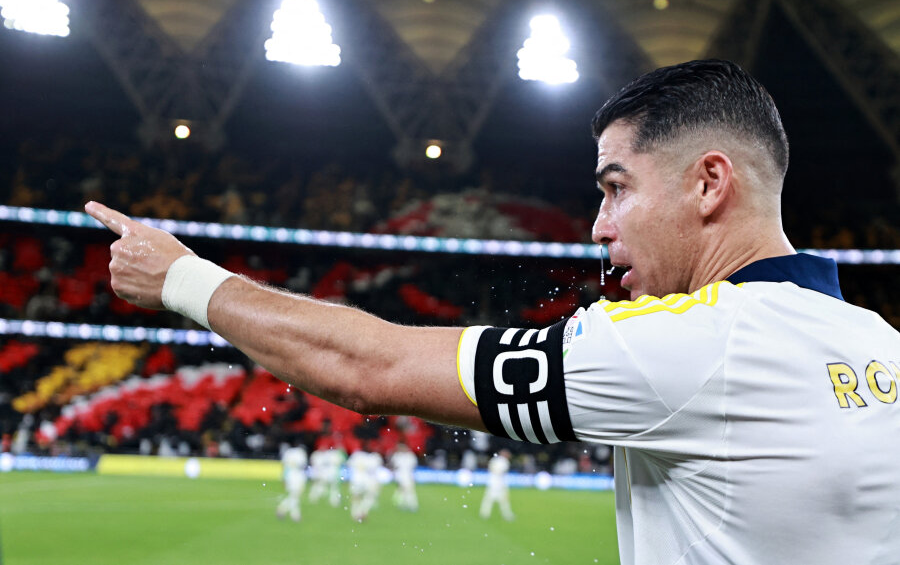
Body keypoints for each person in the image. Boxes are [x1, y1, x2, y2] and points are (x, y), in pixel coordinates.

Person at [85, 58, 900, 565]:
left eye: (616, 187)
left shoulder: (691, 344)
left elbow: (371, 368)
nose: (599, 225)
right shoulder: (878, 341)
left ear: (709, 183)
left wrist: (182, 277)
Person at [347, 448, 382, 521]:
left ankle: (356, 513)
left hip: (357, 480)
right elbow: (375, 470)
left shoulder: (357, 455)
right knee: (369, 497)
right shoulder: (374, 457)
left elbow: (349, 464)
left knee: (356, 497)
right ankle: (361, 512)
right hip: (367, 480)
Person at [479, 449, 514, 521]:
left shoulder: (495, 459)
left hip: (493, 481)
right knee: (501, 499)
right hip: (498, 482)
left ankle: (485, 513)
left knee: (489, 498)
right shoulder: (504, 461)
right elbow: (500, 471)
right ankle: (506, 515)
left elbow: (491, 468)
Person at [275, 444, 307, 522]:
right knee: (295, 496)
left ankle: (291, 513)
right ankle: (291, 514)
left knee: (294, 496)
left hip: (290, 477)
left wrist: (284, 478)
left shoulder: (288, 452)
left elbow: (284, 466)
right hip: (297, 477)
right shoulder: (301, 452)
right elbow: (303, 465)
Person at [389, 443, 419, 511]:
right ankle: (404, 504)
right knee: (403, 491)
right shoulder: (397, 455)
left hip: (408, 476)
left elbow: (413, 466)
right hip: (400, 476)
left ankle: (412, 505)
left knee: (409, 491)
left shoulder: (410, 456)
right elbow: (394, 465)